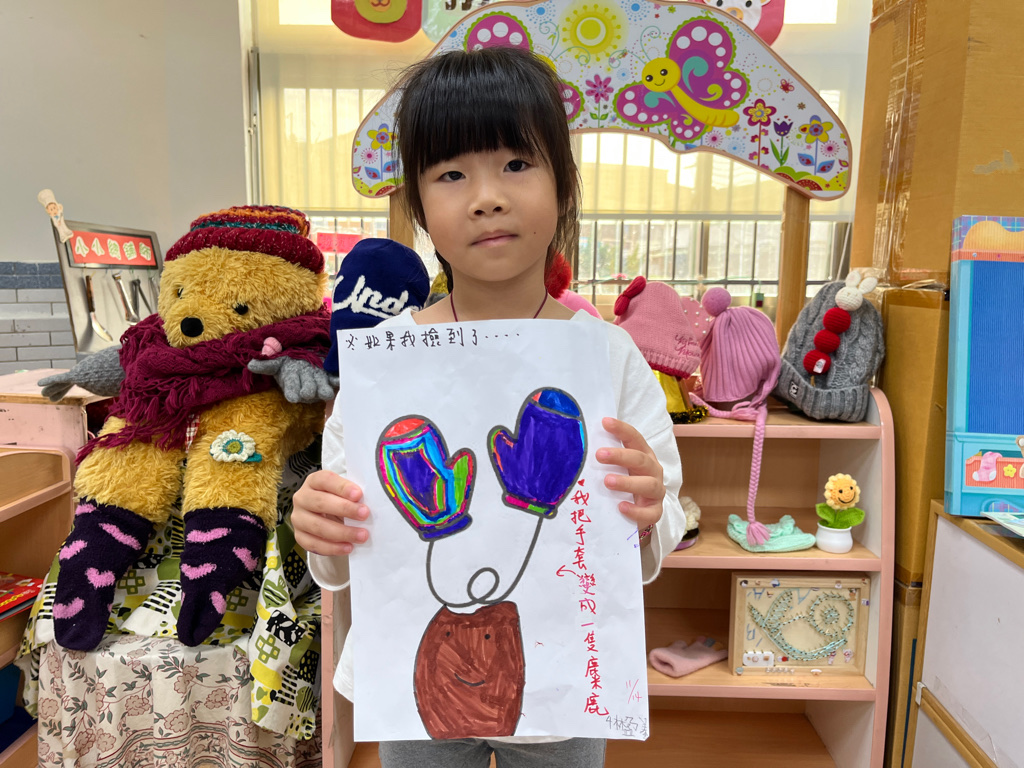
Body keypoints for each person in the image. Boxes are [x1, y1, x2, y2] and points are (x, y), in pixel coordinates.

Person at [292, 46, 687, 768]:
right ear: (418, 206)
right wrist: (323, 525)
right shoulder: (387, 361)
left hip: (564, 679)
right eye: (451, 174)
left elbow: (658, 526)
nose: (487, 197)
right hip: (417, 678)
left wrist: (648, 507)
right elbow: (349, 553)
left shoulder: (606, 356)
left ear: (564, 185)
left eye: (516, 163)